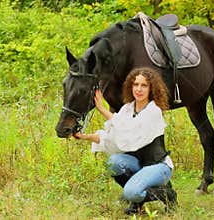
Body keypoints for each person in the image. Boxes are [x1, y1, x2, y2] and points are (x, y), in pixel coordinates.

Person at [73, 67, 177, 214]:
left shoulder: (153, 111)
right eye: (136, 84)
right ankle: (137, 201)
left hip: (158, 166)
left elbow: (129, 130)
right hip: (138, 164)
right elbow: (113, 136)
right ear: (130, 86)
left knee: (130, 193)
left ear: (151, 89)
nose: (139, 89)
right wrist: (84, 136)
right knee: (113, 162)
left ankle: (167, 194)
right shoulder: (127, 109)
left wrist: (103, 110)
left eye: (144, 85)